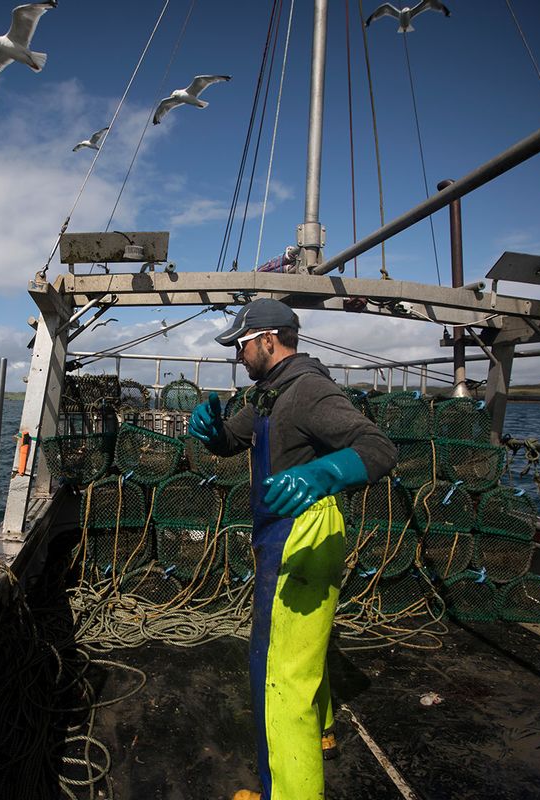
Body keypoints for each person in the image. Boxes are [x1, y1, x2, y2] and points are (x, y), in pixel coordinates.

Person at [187, 298, 396, 800]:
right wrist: (215, 435)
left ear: (267, 340)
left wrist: (325, 472)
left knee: (277, 673)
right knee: (304, 650)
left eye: (241, 345)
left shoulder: (308, 391)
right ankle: (322, 730)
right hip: (282, 531)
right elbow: (237, 440)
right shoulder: (267, 395)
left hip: (301, 535)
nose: (238, 356)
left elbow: (379, 448)